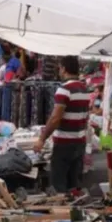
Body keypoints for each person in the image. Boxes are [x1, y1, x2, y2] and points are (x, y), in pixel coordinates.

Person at [33, 56, 90, 194]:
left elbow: (55, 118)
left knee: (59, 185)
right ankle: (74, 210)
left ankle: (63, 211)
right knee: (74, 184)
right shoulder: (84, 89)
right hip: (79, 142)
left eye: (59, 67)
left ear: (64, 69)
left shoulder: (64, 89)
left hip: (64, 143)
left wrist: (42, 139)